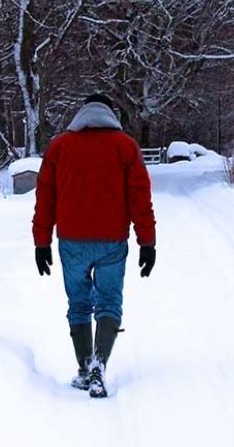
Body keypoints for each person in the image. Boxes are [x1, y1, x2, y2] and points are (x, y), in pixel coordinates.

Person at [32, 93, 157, 398]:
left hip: (71, 241)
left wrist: (41, 242)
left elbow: (45, 197)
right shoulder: (126, 147)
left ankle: (84, 367)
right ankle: (100, 363)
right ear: (111, 115)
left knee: (79, 304)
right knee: (109, 302)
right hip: (112, 241)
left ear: (81, 114)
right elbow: (139, 198)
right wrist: (147, 242)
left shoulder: (60, 146)